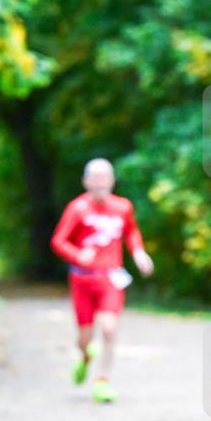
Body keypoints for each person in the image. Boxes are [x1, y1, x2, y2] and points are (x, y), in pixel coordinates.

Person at [50, 158, 154, 403]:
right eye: (94, 178)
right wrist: (78, 255)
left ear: (112, 180)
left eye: (104, 177)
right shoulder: (77, 208)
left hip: (110, 278)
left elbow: (131, 232)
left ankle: (102, 382)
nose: (100, 183)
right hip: (82, 280)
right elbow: (58, 241)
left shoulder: (123, 207)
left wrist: (139, 253)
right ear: (85, 181)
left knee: (109, 328)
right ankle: (85, 357)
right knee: (84, 338)